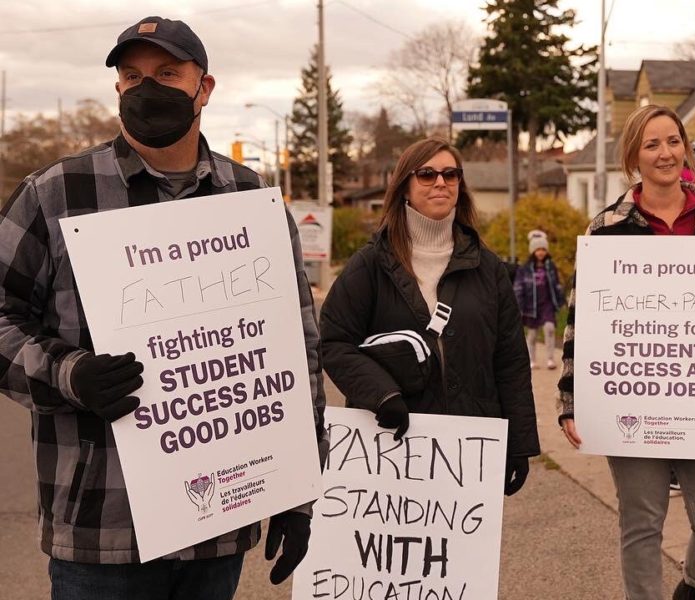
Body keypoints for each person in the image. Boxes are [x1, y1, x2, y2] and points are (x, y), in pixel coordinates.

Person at [0, 16, 327, 600]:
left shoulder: (252, 202)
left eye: (168, 73)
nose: (147, 88)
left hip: (217, 531)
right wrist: (68, 373)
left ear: (204, 89)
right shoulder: (54, 193)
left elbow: (296, 351)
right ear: (119, 89)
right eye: (132, 76)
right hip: (100, 531)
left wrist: (298, 491)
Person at [557, 105, 695, 600]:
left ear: (686, 148)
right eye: (651, 144)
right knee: (642, 524)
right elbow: (580, 319)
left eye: (673, 141)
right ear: (634, 155)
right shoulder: (606, 227)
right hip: (632, 397)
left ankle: (694, 587)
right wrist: (570, 399)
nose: (665, 153)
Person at [319, 137, 540, 498]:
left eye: (450, 174)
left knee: (465, 555)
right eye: (427, 174)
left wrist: (519, 441)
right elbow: (334, 341)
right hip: (391, 446)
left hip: (468, 449)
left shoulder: (488, 268)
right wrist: (381, 394)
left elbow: (511, 360)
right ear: (404, 185)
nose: (440, 182)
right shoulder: (371, 264)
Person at [513, 229, 565, 370]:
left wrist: (560, 301)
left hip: (547, 303)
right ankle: (532, 359)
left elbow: (557, 285)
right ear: (533, 251)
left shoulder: (550, 266)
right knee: (532, 334)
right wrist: (519, 305)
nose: (541, 252)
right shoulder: (525, 268)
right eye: (538, 249)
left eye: (543, 249)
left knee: (549, 329)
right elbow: (518, 287)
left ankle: (550, 359)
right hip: (531, 306)